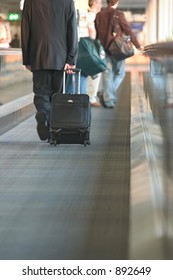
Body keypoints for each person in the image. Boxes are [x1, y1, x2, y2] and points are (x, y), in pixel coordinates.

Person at [21, 0, 78, 141]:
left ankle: (43, 114)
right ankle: (53, 129)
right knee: (56, 95)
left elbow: (25, 30)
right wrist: (71, 59)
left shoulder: (30, 2)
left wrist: (27, 58)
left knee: (41, 92)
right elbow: (72, 30)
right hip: (60, 56)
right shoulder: (67, 2)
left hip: (38, 55)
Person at [95, 0, 143, 108]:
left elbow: (96, 33)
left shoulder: (99, 15)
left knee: (107, 74)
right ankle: (107, 95)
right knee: (120, 73)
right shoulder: (118, 14)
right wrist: (138, 45)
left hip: (103, 49)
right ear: (117, 1)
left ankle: (108, 98)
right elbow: (128, 30)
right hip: (117, 49)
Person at [66, 0, 102, 107]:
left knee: (70, 73)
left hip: (71, 47)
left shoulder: (71, 11)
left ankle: (68, 100)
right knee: (82, 75)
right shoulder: (87, 15)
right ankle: (81, 102)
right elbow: (92, 33)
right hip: (83, 49)